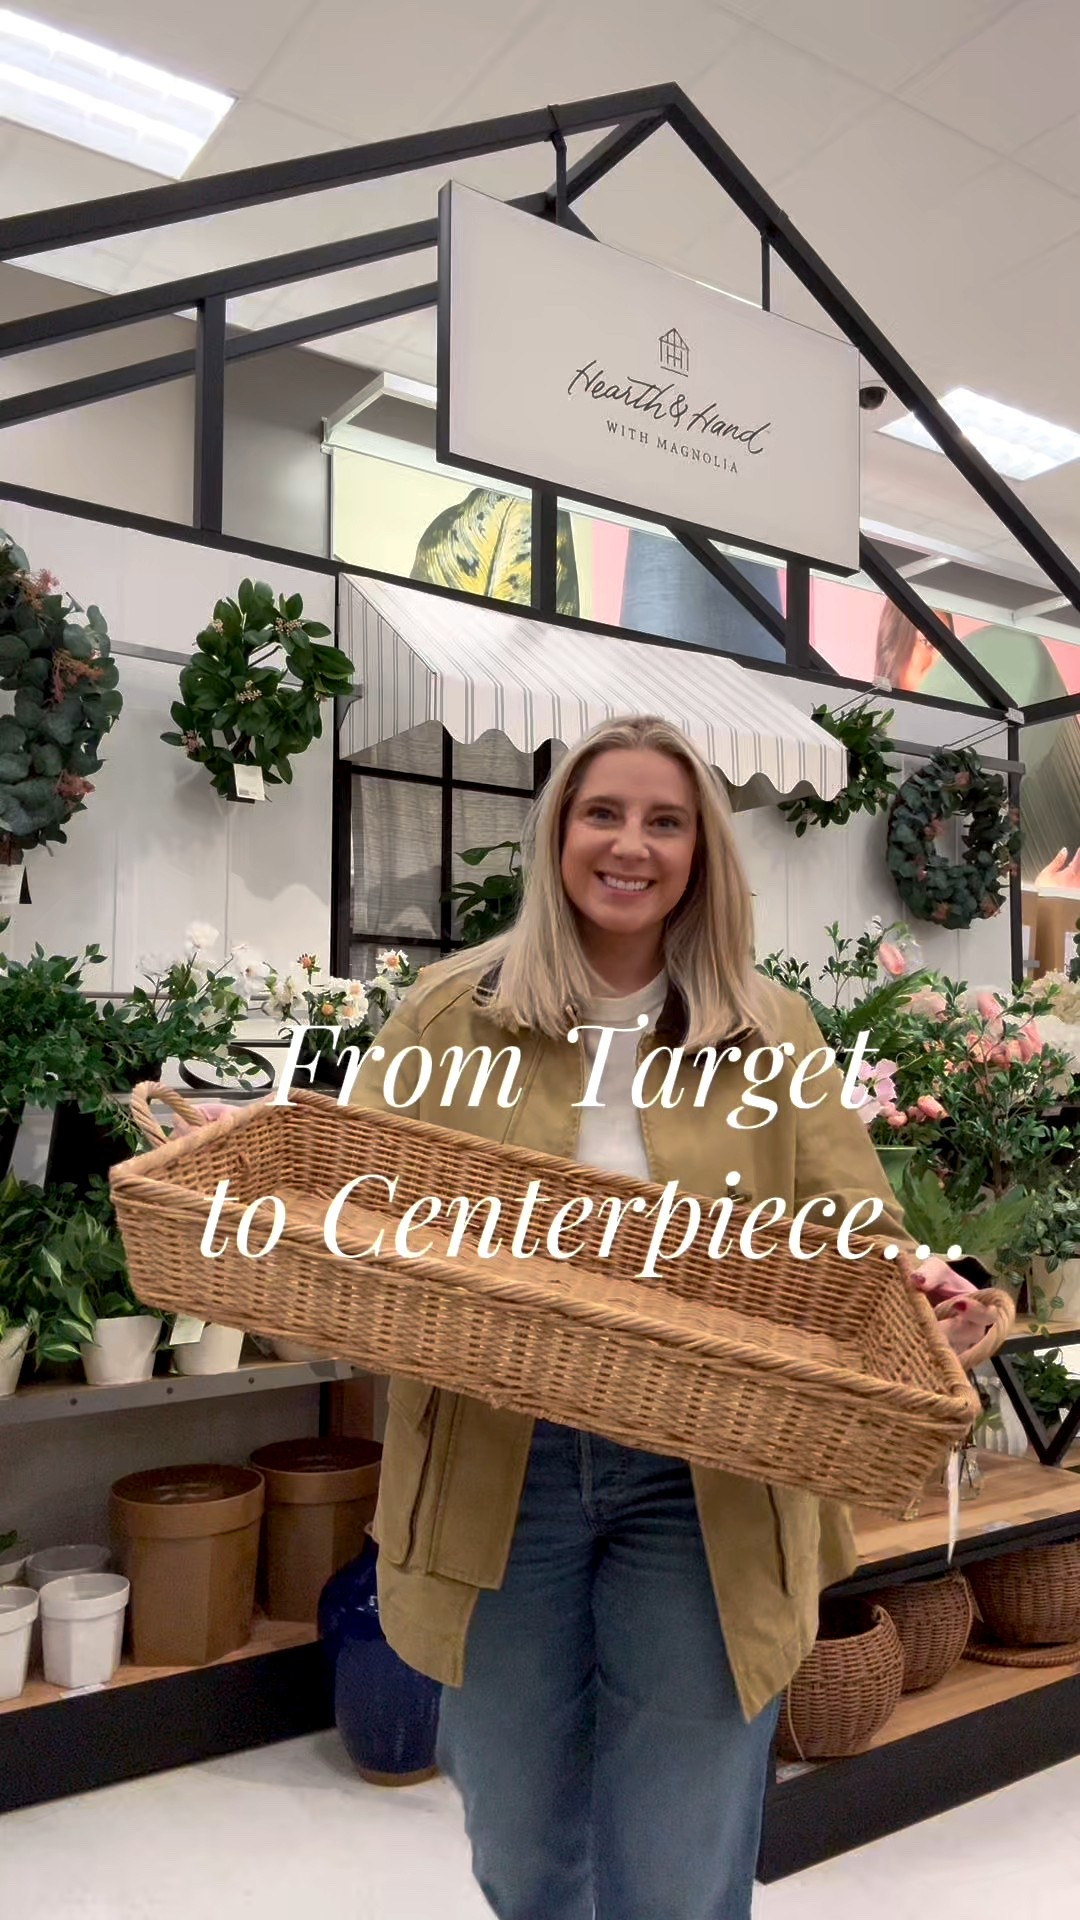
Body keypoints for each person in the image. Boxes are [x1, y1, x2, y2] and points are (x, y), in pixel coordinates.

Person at [344, 714, 1003, 1920]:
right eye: (604, 813)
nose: (630, 845)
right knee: (525, 1848)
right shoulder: (450, 1017)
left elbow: (855, 1228)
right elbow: (361, 1203)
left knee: (683, 1864)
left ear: (702, 850)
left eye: (665, 819)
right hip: (499, 1465)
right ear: (557, 834)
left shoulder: (769, 1032)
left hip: (712, 1471)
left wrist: (920, 1288)